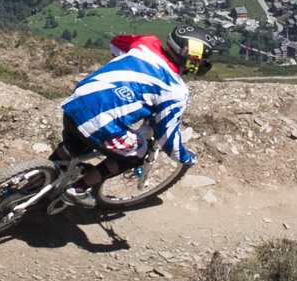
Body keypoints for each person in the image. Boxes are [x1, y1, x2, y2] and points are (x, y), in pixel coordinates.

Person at [54, 25, 228, 208]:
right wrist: (184, 158)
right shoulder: (175, 90)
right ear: (192, 58)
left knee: (73, 145)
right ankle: (78, 188)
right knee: (137, 152)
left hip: (76, 101)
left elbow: (116, 44)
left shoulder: (147, 42)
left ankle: (38, 179)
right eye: (204, 58)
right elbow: (167, 138)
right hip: (100, 123)